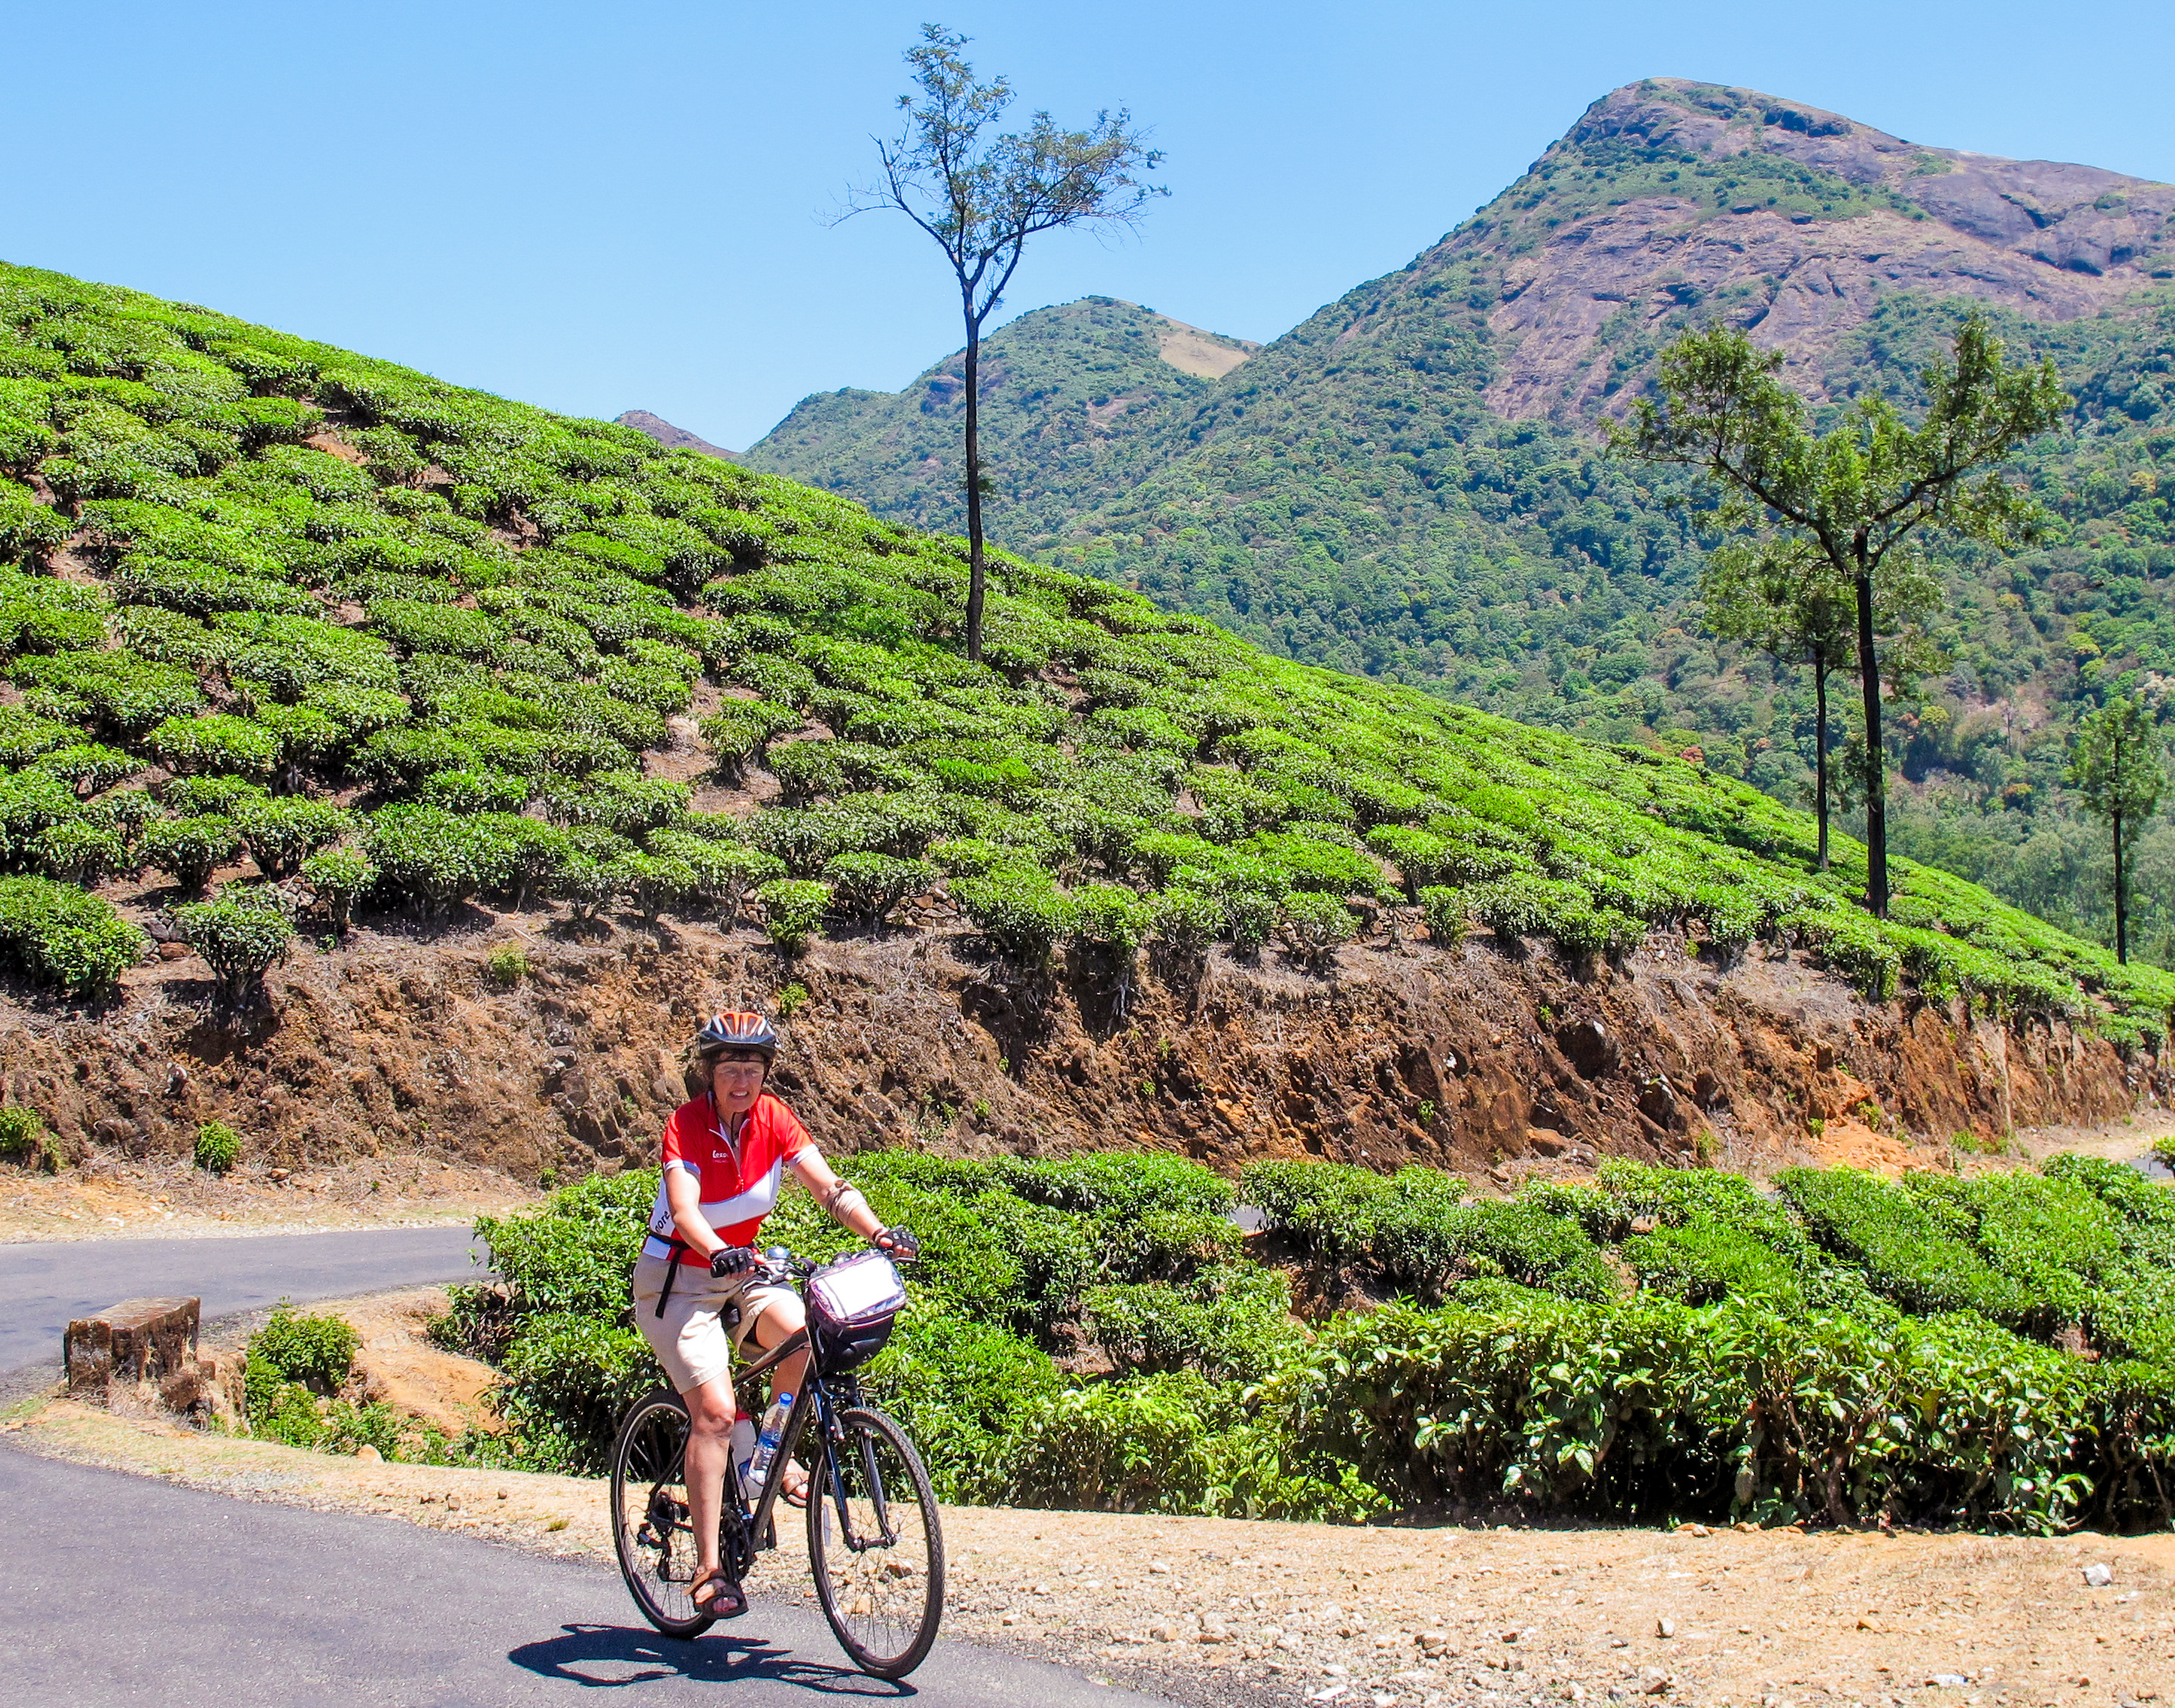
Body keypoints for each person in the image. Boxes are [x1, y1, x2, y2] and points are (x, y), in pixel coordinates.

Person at [631, 1010, 916, 1619]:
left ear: (766, 1074)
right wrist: (719, 1251)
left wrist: (878, 1232)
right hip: (678, 1283)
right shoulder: (686, 1125)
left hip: (744, 1274)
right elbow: (684, 1210)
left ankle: (763, 1458)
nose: (741, 1081)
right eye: (730, 1069)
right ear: (709, 1073)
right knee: (711, 1413)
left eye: (752, 1069)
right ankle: (710, 1571)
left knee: (807, 1335)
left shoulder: (775, 1119)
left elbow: (829, 1188)